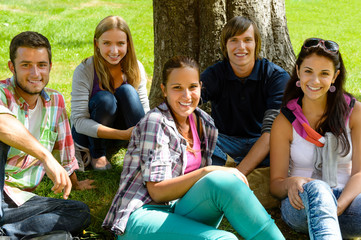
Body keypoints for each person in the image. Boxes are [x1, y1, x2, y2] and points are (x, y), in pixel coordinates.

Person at [102, 56, 285, 239]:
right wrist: (208, 170)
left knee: (225, 183)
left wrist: (217, 174)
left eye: (192, 87)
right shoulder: (155, 122)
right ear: (164, 90)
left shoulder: (204, 123)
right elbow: (157, 192)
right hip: (142, 217)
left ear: (200, 87)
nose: (187, 96)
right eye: (177, 88)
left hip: (178, 211)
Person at [0, 31, 91, 239]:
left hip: (19, 200)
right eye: (25, 65)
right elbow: (2, 124)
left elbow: (66, 151)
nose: (35, 73)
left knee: (79, 212)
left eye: (41, 65)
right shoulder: (2, 93)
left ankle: (7, 234)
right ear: (11, 67)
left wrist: (75, 182)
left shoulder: (55, 101)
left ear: (50, 67)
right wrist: (45, 156)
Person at [270, 38, 361, 239]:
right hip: (302, 206)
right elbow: (276, 185)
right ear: (298, 71)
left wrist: (337, 206)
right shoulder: (285, 120)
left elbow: (360, 173)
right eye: (308, 71)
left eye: (324, 74)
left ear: (335, 77)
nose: (315, 81)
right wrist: (290, 183)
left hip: (348, 205)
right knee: (318, 187)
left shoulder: (355, 112)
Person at [201, 16, 290, 176]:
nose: (241, 47)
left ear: (256, 44)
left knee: (286, 148)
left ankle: (230, 171)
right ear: (225, 46)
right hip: (224, 143)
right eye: (234, 40)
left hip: (263, 143)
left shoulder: (276, 77)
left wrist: (238, 175)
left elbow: (271, 133)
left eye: (247, 40)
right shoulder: (215, 74)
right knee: (198, 140)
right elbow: (187, 101)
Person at [71, 15, 150, 170]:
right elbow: (79, 121)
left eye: (120, 43)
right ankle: (97, 155)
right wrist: (123, 135)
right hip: (89, 136)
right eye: (107, 43)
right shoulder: (85, 69)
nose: (114, 51)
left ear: (128, 43)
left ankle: (144, 151)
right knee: (105, 99)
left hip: (124, 133)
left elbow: (144, 110)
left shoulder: (136, 67)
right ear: (97, 43)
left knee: (128, 91)